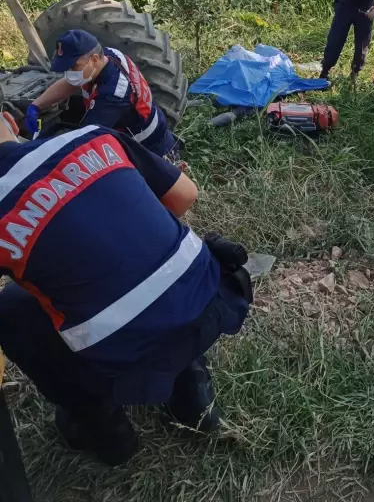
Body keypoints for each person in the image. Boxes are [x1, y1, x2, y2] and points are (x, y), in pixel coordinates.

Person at [0, 112, 251, 466]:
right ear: (10, 120)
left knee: (11, 308)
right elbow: (185, 196)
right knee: (140, 259)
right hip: (209, 300)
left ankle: (104, 429)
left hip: (122, 350)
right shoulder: (91, 136)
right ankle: (192, 392)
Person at [24, 30, 177, 157]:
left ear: (94, 59)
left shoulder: (113, 95)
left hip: (150, 151)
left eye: (74, 67)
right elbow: (69, 83)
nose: (70, 73)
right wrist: (36, 105)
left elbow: (82, 144)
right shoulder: (110, 55)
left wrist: (36, 151)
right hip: (147, 127)